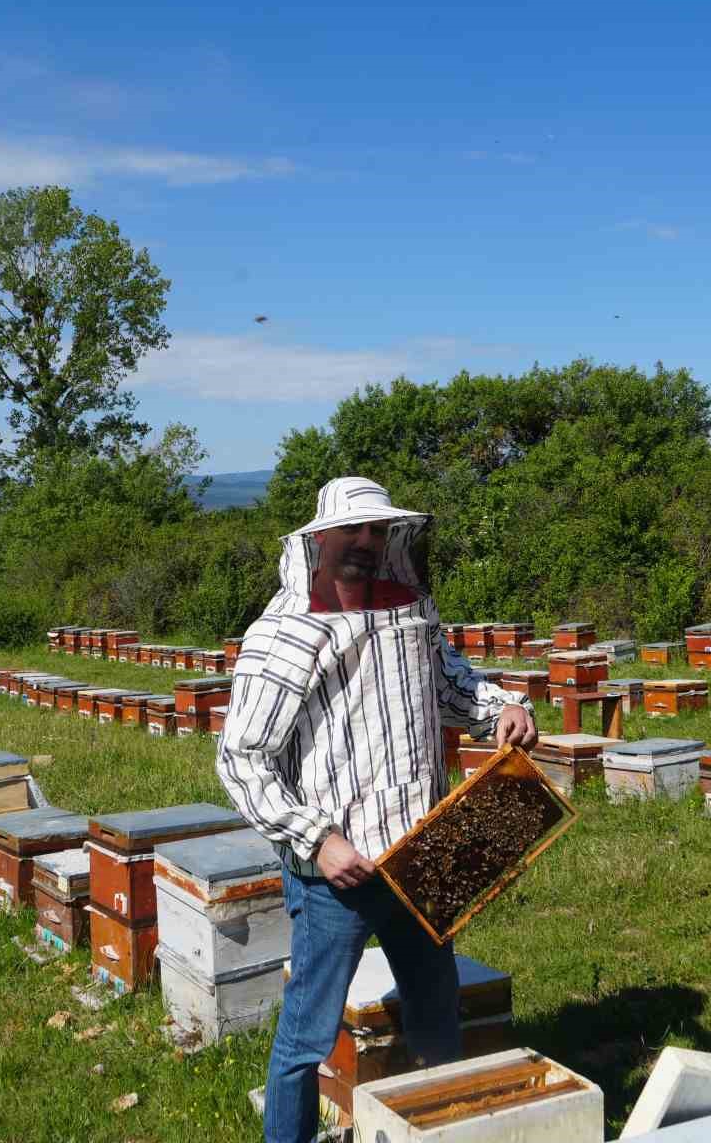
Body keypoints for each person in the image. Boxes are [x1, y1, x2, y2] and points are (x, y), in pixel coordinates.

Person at [216, 477, 537, 1143]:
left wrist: (500, 708)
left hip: (421, 858)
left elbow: (450, 683)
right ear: (321, 539)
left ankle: (435, 1132)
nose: (366, 543)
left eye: (377, 531)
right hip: (339, 875)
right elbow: (243, 760)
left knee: (437, 1022)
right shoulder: (285, 632)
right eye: (352, 531)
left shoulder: (409, 612)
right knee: (306, 1041)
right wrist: (318, 840)